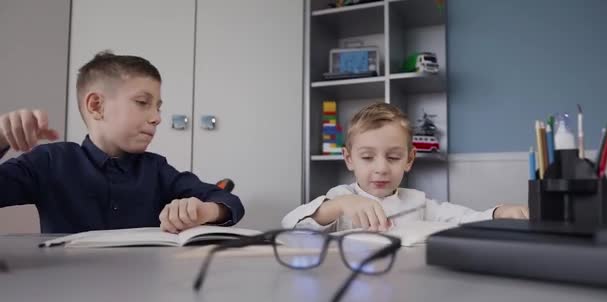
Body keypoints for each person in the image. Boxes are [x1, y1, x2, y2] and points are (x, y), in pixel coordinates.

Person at [0, 51, 244, 234]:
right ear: (96, 106)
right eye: (142, 102)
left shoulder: (157, 170)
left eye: (158, 107)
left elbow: (229, 202)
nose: (157, 118)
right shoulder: (50, 162)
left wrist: (205, 211)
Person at [282, 103, 528, 231]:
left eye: (393, 157)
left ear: (409, 160)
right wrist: (336, 207)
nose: (381, 168)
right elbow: (290, 226)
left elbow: (463, 218)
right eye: (367, 157)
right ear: (349, 159)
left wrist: (497, 213)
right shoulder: (341, 198)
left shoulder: (418, 202)